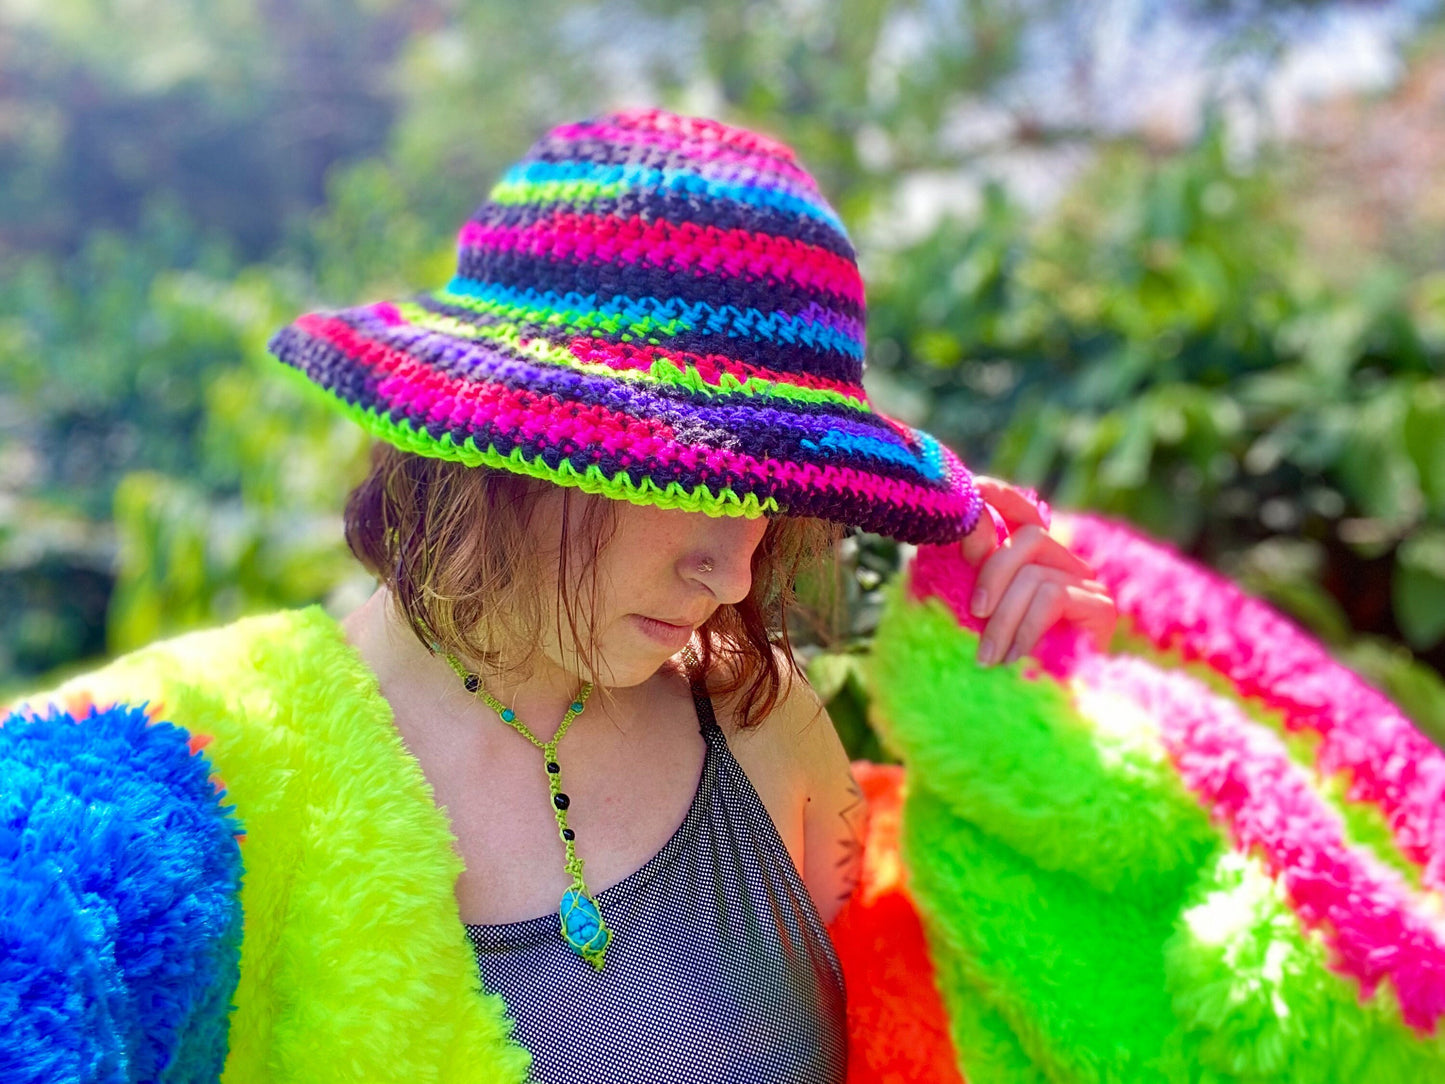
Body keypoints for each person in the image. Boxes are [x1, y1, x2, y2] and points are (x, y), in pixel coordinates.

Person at [3, 107, 1114, 1083]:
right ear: (514, 447)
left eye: (770, 497)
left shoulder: (760, 726)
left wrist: (1031, 739)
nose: (734, 571)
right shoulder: (213, 766)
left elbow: (940, 1020)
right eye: (696, 483)